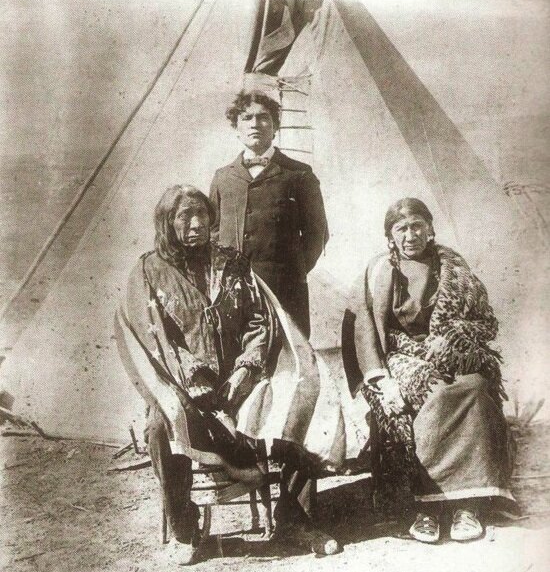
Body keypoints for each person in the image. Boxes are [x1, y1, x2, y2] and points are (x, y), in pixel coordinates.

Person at [115, 185, 340, 565]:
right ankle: (185, 528)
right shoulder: (147, 272)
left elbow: (258, 321)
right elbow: (152, 338)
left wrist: (246, 368)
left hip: (241, 380)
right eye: (185, 216)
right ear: (167, 222)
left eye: (202, 214)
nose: (196, 224)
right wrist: (194, 379)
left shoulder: (232, 263)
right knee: (160, 426)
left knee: (298, 395)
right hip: (182, 385)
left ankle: (294, 518)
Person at [342, 198, 514, 544]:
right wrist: (380, 378)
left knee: (475, 387)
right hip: (402, 357)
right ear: (390, 236)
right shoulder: (378, 270)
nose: (411, 235)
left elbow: (484, 322)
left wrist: (453, 337)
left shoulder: (454, 267)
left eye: (417, 226)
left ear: (430, 228)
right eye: (402, 229)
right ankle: (427, 508)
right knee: (433, 392)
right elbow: (362, 328)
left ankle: (468, 506)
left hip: (452, 352)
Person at [209, 89, 328, 339]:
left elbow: (317, 234)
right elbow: (214, 232)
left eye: (263, 117)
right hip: (232, 294)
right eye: (246, 118)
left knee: (287, 355)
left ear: (275, 128)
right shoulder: (223, 177)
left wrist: (291, 273)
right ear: (236, 128)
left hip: (285, 292)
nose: (255, 124)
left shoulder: (299, 174)